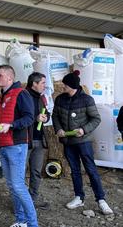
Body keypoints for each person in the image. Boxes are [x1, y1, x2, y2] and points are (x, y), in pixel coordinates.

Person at [0, 65, 37, 227]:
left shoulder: (21, 94)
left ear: (9, 78)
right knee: (12, 186)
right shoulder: (2, 97)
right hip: (3, 145)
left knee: (18, 186)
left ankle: (33, 224)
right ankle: (21, 221)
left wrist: (11, 125)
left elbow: (29, 118)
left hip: (16, 145)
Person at [52, 70, 113, 215]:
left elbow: (96, 119)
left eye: (65, 85)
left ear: (72, 86)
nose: (62, 87)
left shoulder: (87, 100)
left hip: (83, 141)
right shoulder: (60, 99)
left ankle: (101, 200)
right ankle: (79, 197)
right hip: (68, 142)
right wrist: (59, 129)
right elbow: (55, 116)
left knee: (91, 170)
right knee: (74, 170)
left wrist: (84, 130)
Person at [26, 72, 50, 210]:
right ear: (34, 84)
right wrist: (35, 118)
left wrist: (46, 117)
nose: (44, 86)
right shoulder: (23, 96)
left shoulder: (41, 98)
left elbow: (46, 112)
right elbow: (20, 117)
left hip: (39, 140)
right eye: (43, 83)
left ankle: (33, 200)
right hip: (26, 141)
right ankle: (22, 203)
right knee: (21, 173)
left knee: (36, 172)